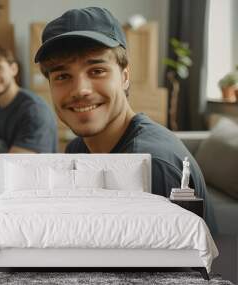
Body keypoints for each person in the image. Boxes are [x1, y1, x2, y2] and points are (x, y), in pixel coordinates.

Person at [34, 7, 206, 198]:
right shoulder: (79, 149)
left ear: (124, 77)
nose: (80, 89)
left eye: (97, 71)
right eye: (63, 76)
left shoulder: (150, 166)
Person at [0, 44, 58, 186]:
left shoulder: (33, 110)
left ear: (13, 69)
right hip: (5, 193)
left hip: (37, 195)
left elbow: (14, 169)